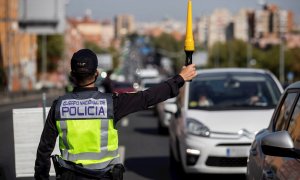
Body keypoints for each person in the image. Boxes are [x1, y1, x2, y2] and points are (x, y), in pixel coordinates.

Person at [34, 48, 197, 180]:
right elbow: (148, 97)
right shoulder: (112, 103)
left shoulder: (59, 106)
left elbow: (44, 149)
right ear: (96, 74)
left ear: (72, 75)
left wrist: (41, 177)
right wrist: (180, 78)